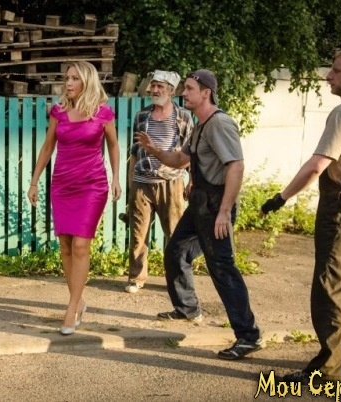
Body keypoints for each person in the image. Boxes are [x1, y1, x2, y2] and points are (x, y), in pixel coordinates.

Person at [261, 47, 341, 381]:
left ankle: (326, 370)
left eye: (335, 70)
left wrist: (281, 197)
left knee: (330, 287)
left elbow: (318, 164)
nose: (328, 76)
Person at [137, 69, 262, 360]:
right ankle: (187, 308)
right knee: (176, 251)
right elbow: (181, 159)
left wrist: (225, 212)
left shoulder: (220, 124)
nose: (184, 93)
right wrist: (154, 150)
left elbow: (236, 166)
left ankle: (248, 336)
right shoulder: (200, 125)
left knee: (223, 269)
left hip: (216, 206)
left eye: (190, 89)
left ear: (206, 93)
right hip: (200, 205)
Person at [27, 61, 121, 335]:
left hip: (92, 185)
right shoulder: (59, 111)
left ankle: (71, 309)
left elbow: (113, 145)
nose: (68, 83)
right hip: (62, 184)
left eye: (74, 79)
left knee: (81, 244)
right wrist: (34, 181)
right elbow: (48, 147)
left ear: (87, 82)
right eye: (67, 78)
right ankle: (79, 301)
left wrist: (116, 178)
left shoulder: (102, 112)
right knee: (66, 246)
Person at [124, 70, 194, 294]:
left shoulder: (183, 117)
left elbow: (190, 153)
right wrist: (131, 183)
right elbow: (135, 152)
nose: (154, 90)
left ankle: (176, 279)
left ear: (171, 91)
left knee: (174, 234)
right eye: (153, 86)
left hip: (171, 182)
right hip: (142, 181)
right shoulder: (142, 116)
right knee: (138, 233)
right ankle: (136, 278)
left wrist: (192, 180)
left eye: (160, 87)